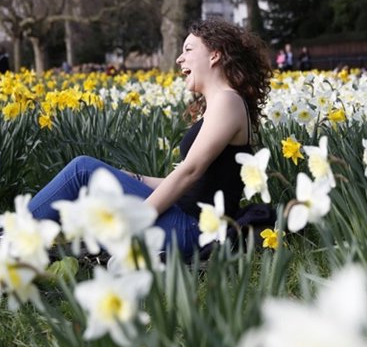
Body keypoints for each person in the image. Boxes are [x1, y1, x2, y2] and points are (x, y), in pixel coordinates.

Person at [27, 19, 272, 258]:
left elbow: (190, 172)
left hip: (193, 230)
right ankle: (24, 236)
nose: (179, 58)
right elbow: (200, 184)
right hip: (188, 222)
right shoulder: (221, 104)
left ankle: (11, 235)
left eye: (188, 49)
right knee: (95, 177)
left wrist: (138, 220)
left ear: (215, 55)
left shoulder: (227, 101)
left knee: (82, 169)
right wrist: (136, 178)